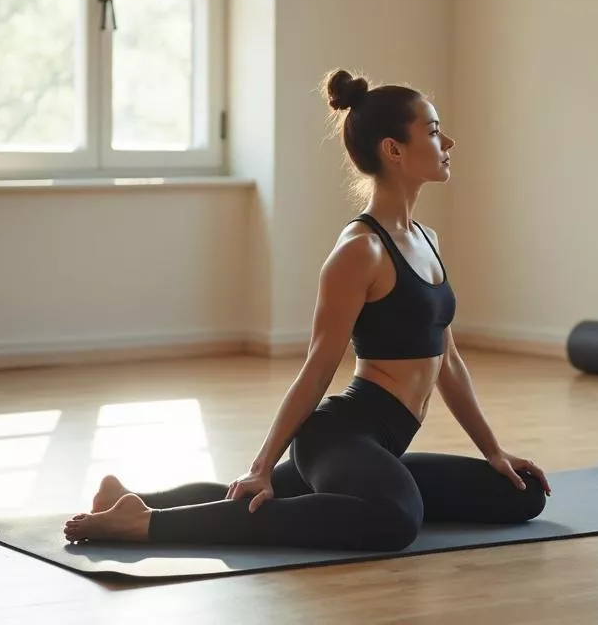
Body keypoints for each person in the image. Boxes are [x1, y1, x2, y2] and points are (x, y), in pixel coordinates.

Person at [64, 69, 551, 551]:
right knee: (395, 518)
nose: (449, 142)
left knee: (521, 492)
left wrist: (494, 451)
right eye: (433, 130)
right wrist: (260, 466)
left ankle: (128, 498)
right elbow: (318, 367)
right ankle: (145, 524)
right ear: (394, 149)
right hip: (338, 436)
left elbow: (449, 360)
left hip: (380, 444)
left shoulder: (427, 240)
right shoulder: (361, 251)